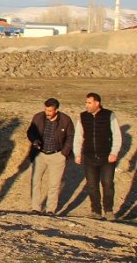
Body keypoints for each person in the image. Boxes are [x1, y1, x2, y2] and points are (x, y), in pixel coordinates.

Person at [74, 92, 123, 220]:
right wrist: (77, 153)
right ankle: (96, 211)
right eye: (86, 103)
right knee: (92, 185)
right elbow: (78, 136)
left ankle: (108, 211)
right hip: (89, 156)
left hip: (106, 157)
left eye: (89, 103)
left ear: (97, 103)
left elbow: (117, 135)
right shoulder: (83, 116)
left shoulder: (109, 115)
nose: (87, 105)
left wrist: (114, 152)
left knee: (107, 184)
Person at [26, 97, 74, 215]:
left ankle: (50, 210)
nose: (47, 113)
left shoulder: (65, 120)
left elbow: (70, 136)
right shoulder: (38, 117)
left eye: (50, 111)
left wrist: (64, 153)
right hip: (40, 154)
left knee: (54, 184)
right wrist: (34, 141)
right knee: (36, 181)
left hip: (57, 155)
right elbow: (30, 131)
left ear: (56, 110)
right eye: (46, 110)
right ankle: (35, 208)